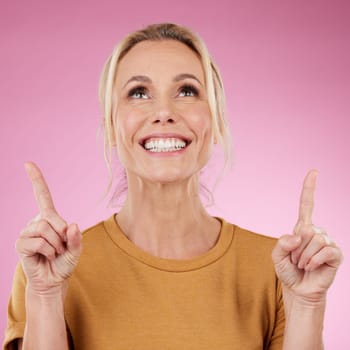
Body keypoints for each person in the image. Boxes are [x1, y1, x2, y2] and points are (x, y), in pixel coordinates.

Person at [3, 23, 343, 350]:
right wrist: (46, 296)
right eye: (138, 93)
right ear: (110, 126)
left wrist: (306, 306)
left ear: (215, 121)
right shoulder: (48, 266)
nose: (164, 111)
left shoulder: (278, 271)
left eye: (187, 91)